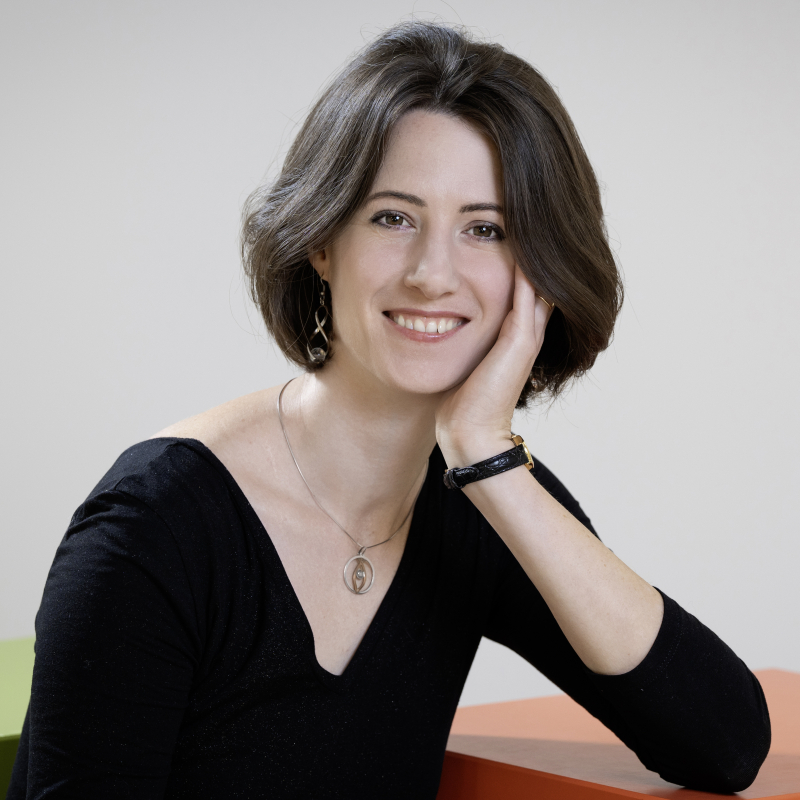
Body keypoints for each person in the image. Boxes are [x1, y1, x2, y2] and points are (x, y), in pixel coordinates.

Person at [9, 20, 770, 800]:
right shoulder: (154, 527)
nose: (433, 274)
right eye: (393, 218)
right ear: (322, 240)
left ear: (538, 276)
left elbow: (725, 743)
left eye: (486, 229)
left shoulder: (478, 499)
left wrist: (488, 455)